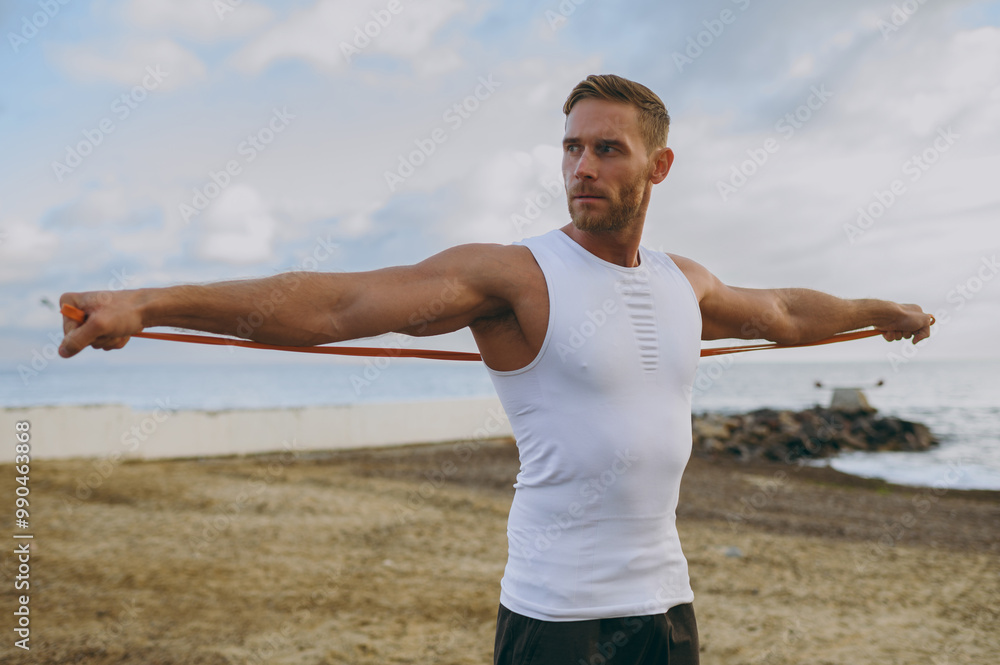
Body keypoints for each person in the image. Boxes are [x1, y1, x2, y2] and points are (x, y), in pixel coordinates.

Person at [58, 74, 932, 664]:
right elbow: (338, 305)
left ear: (658, 166)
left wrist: (879, 310)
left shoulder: (684, 281)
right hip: (556, 619)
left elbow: (784, 314)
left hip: (665, 607)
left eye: (607, 149)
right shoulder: (516, 276)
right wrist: (150, 302)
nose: (581, 167)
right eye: (571, 148)